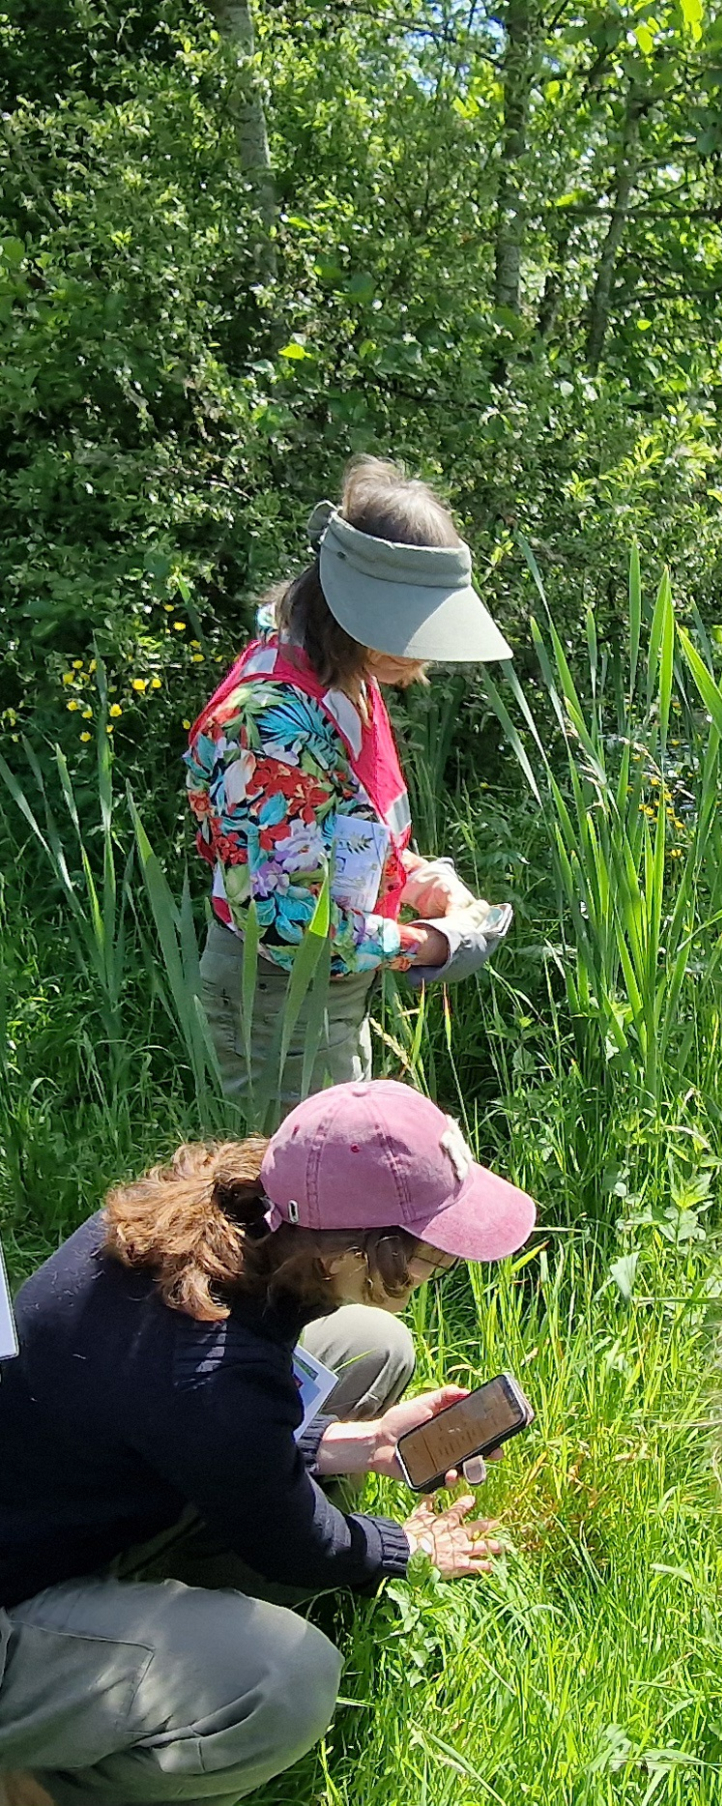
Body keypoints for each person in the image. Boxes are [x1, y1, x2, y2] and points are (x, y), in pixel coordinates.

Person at [0, 1080, 535, 1806]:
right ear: (351, 1251)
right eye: (430, 1257)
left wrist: (360, 1442)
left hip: (69, 1489)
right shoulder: (213, 1377)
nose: (434, 1273)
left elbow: (192, 1416)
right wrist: (401, 1547)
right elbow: (297, 1547)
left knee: (370, 1345)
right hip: (16, 1599)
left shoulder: (221, 1208)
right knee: (287, 1679)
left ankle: (149, 1609)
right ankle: (41, 1788)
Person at [185, 456, 516, 1121]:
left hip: (329, 989)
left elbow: (338, 837)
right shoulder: (269, 722)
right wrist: (428, 943)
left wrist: (423, 880)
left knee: (339, 1186)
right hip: (275, 1001)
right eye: (406, 630)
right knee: (294, 1205)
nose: (420, 657)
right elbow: (283, 922)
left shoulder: (344, 678)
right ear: (353, 606)